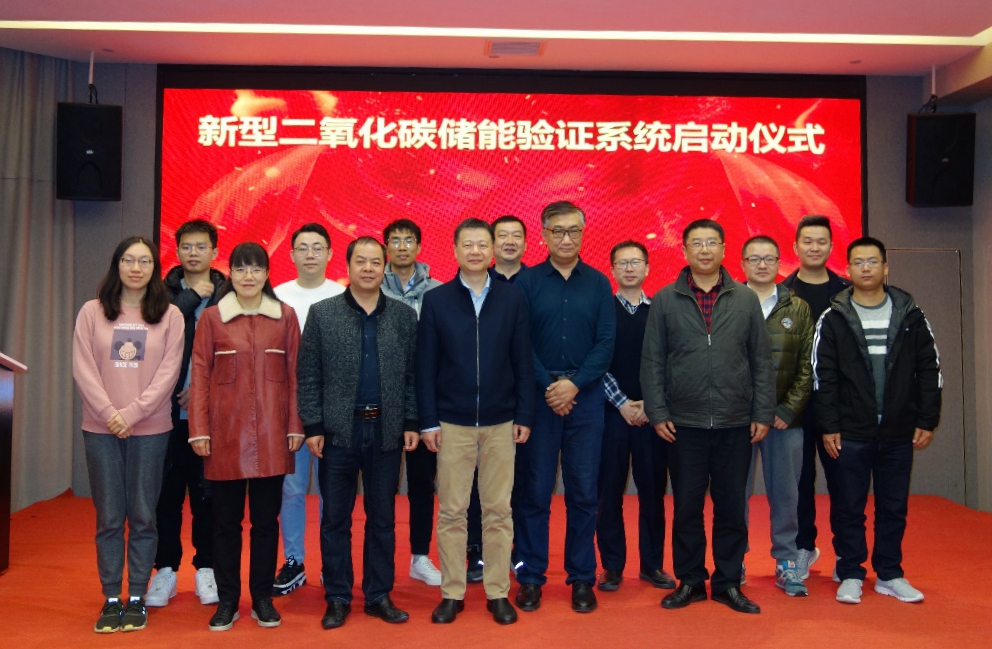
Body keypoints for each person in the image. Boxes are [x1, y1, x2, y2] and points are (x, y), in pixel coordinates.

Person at [641, 219, 775, 614]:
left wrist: (762, 411)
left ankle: (728, 583)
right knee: (686, 508)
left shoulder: (745, 299)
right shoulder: (665, 299)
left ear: (723, 249)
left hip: (736, 422)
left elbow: (761, 361)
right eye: (696, 243)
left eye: (711, 242)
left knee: (731, 508)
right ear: (684, 250)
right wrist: (658, 411)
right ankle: (691, 581)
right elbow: (653, 361)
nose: (704, 250)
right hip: (684, 423)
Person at [298, 236, 420, 630]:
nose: (368, 268)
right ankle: (337, 597)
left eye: (375, 262)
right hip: (338, 432)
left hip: (386, 431)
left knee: (382, 518)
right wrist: (313, 425)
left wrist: (411, 422)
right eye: (361, 261)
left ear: (385, 267)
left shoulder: (403, 316)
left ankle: (378, 595)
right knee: (335, 519)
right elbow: (308, 374)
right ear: (347, 267)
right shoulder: (323, 313)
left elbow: (411, 377)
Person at [417, 218, 535, 625]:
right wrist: (428, 421)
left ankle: (497, 591)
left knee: (498, 510)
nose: (475, 251)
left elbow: (522, 360)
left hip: (502, 422)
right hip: (452, 422)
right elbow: (425, 366)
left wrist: (524, 413)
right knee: (452, 511)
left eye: (482, 244)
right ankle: (452, 592)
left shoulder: (512, 298)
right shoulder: (437, 300)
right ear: (454, 251)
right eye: (467, 244)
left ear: (492, 250)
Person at [813, 236, 941, 605]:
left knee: (893, 507)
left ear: (886, 268)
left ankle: (889, 573)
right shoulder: (833, 317)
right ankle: (851, 572)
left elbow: (929, 369)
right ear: (848, 269)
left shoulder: (911, 315)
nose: (866, 268)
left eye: (872, 261)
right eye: (858, 262)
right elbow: (823, 376)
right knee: (849, 506)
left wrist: (927, 418)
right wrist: (829, 425)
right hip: (851, 431)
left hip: (898, 430)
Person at [189, 242, 304, 631]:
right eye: (240, 269)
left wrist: (295, 425)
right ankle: (227, 601)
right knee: (225, 523)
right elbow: (200, 375)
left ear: (267, 274)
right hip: (225, 436)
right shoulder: (212, 319)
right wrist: (199, 430)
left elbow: (295, 375)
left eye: (256, 269)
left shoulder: (285, 317)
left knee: (266, 522)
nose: (248, 276)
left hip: (273, 434)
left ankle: (262, 599)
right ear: (231, 274)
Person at [72, 236, 184, 633]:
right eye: (128, 260)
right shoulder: (92, 312)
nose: (136, 268)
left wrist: (132, 414)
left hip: (150, 429)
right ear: (116, 265)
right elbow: (83, 368)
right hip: (100, 429)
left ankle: (137, 594)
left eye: (145, 261)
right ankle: (110, 597)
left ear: (155, 268)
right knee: (108, 516)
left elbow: (168, 374)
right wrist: (109, 414)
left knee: (143, 514)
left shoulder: (170, 315)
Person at [514, 200, 615, 614]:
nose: (566, 238)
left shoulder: (599, 283)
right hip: (539, 400)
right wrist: (551, 385)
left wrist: (573, 384)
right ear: (543, 235)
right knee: (534, 493)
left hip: (585, 399)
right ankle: (530, 577)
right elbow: (520, 342)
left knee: (584, 493)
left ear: (583, 233)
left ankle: (581, 577)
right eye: (558, 231)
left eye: (574, 230)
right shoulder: (527, 282)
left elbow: (605, 344)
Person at [147, 219, 225, 609]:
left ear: (215, 251)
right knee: (167, 495)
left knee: (208, 496)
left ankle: (206, 568)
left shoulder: (230, 292)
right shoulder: (159, 293)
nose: (193, 253)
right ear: (176, 251)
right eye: (187, 247)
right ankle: (165, 569)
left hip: (213, 416)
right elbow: (153, 332)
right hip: (165, 412)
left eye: (201, 246)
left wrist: (204, 391)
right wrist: (191, 296)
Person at [596, 241, 675, 593]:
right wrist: (623, 403)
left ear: (647, 268)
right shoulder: (602, 311)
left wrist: (648, 404)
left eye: (636, 262)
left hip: (652, 415)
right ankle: (612, 566)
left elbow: (671, 361)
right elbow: (594, 360)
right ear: (612, 269)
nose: (629, 269)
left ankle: (652, 565)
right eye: (622, 263)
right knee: (608, 493)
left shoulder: (661, 311)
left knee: (653, 493)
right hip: (610, 414)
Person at [272, 223, 345, 597]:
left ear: (330, 253)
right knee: (292, 489)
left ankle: (333, 564)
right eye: (303, 248)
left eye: (318, 247)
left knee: (333, 492)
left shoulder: (343, 295)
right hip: (289, 409)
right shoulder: (277, 296)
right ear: (291, 254)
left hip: (334, 411)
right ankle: (294, 561)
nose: (311, 254)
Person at [740, 235, 814, 597]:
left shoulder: (797, 307)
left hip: (785, 421)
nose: (762, 264)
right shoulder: (729, 302)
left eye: (768, 258)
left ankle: (786, 562)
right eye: (754, 258)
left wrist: (787, 409)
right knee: (733, 494)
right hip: (738, 419)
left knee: (786, 496)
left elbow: (807, 365)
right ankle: (733, 560)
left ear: (779, 262)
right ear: (742, 264)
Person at [781, 214, 851, 580]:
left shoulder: (847, 293)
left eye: (821, 241)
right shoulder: (782, 293)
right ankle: (803, 547)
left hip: (839, 405)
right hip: (796, 405)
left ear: (831, 246)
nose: (814, 247)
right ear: (795, 246)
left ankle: (847, 554)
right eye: (807, 241)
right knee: (799, 481)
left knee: (844, 482)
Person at [380, 218, 444, 587]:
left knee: (422, 482)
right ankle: (381, 559)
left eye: (409, 240)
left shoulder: (439, 292)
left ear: (419, 247)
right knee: (383, 486)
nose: (402, 247)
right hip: (382, 402)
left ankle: (420, 556)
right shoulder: (371, 287)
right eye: (395, 240)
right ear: (386, 247)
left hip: (425, 402)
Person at [489, 214, 528, 282]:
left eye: (517, 236)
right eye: (502, 235)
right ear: (491, 244)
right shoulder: (480, 280)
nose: (510, 242)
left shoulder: (538, 279)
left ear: (525, 245)